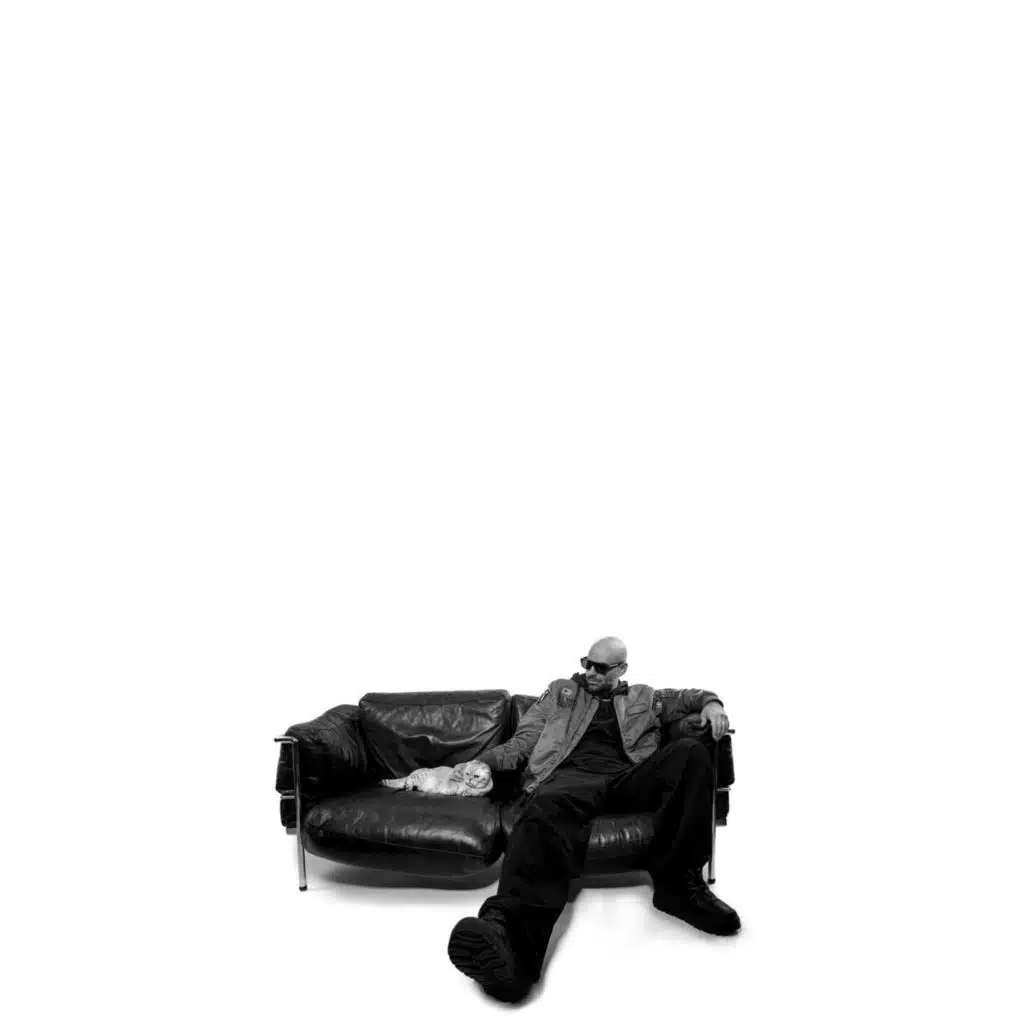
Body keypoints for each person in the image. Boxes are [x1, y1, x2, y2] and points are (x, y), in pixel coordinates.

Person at [445, 636, 740, 1003]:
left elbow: (688, 698)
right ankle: (506, 938)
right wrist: (484, 762)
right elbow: (523, 741)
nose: (590, 672)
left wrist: (712, 703)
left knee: (691, 753)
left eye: (600, 668)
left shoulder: (646, 697)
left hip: (627, 780)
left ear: (621, 669)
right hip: (568, 781)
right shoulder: (561, 692)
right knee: (540, 811)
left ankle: (679, 887)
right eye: (586, 663)